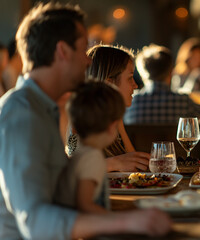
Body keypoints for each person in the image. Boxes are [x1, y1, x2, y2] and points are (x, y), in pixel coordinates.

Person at [0, 3, 171, 239]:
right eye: (83, 50)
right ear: (63, 51)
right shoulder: (23, 113)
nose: (89, 61)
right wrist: (126, 221)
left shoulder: (46, 107)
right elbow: (36, 222)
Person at [67, 44, 150, 172]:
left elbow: (135, 171)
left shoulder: (112, 120)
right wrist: (114, 163)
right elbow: (71, 168)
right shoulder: (76, 120)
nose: (136, 85)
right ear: (109, 83)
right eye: (129, 78)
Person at [56, 81, 125, 213]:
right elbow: (85, 205)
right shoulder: (92, 158)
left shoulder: (80, 153)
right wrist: (114, 220)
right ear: (112, 127)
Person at [124, 44, 200, 124]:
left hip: (139, 149)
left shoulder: (132, 103)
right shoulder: (183, 101)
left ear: (142, 74)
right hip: (178, 149)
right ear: (171, 72)